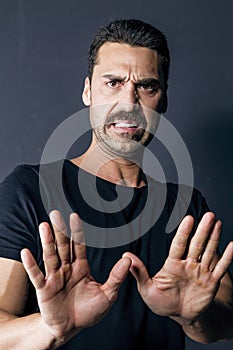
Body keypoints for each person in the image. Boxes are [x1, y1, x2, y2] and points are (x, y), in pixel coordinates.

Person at [0, 18, 232, 350]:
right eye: (113, 82)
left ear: (163, 100)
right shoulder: (28, 189)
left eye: (147, 86)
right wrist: (51, 328)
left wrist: (192, 315)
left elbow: (225, 323)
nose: (129, 102)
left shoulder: (187, 207)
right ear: (87, 91)